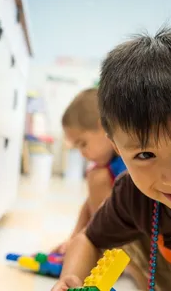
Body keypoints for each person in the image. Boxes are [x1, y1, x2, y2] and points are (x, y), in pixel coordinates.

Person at [51, 26, 171, 291]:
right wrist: (70, 279)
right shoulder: (132, 195)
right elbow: (89, 239)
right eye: (145, 155)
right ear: (118, 147)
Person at [51, 88, 126, 255]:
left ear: (105, 127)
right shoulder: (109, 165)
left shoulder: (129, 161)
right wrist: (73, 241)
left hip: (143, 241)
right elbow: (89, 206)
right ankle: (89, 246)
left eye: (83, 144)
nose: (82, 153)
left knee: (96, 177)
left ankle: (106, 251)